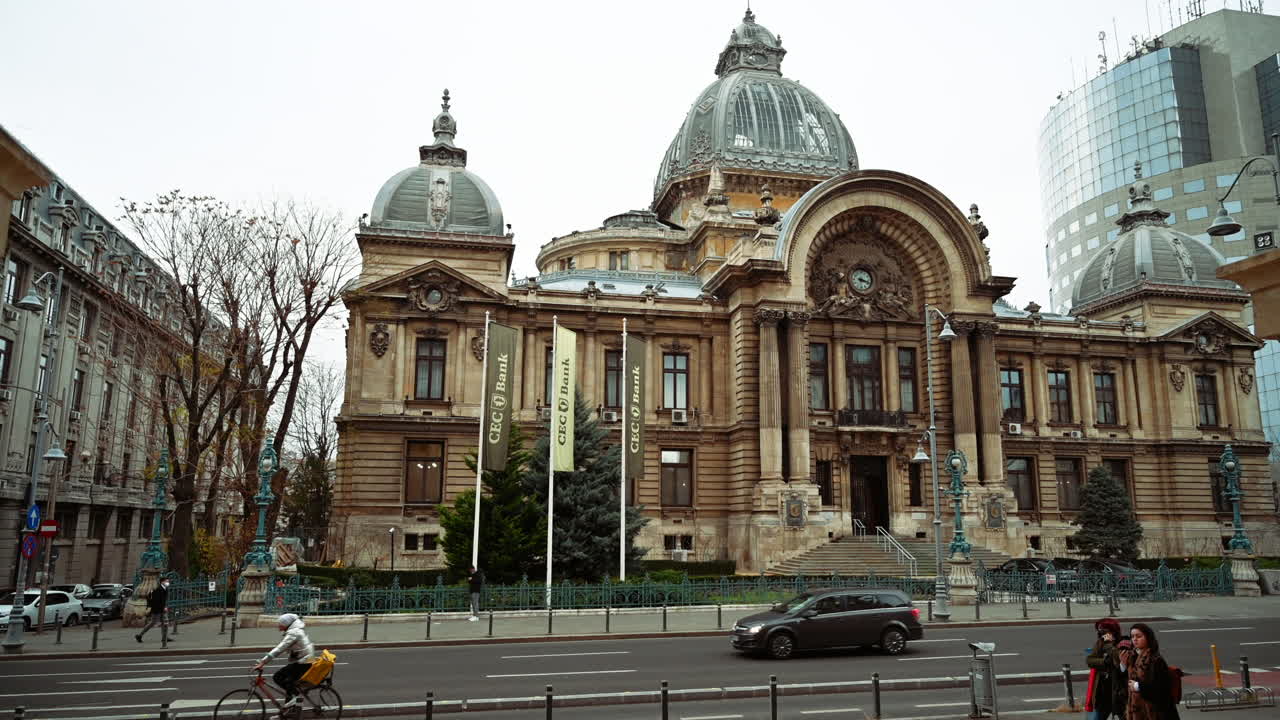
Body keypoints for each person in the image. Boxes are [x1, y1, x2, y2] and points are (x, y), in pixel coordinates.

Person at [253, 613, 317, 711]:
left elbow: (280, 648)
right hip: (304, 660)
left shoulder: (293, 633)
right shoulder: (294, 631)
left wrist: (263, 662)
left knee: (278, 677)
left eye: (280, 623)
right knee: (288, 682)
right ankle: (290, 710)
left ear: (286, 624)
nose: (278, 626)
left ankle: (297, 698)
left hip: (305, 662)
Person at [1122, 623, 1181, 720]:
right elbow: (1126, 682)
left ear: (1148, 638)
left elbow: (1161, 689)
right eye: (1132, 636)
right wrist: (1123, 666)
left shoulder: (1155, 660)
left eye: (1139, 636)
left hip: (1155, 712)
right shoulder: (1132, 657)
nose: (1135, 639)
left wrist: (1138, 686)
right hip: (1136, 711)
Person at [1085, 618, 1126, 720]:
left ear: (1112, 630)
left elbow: (1117, 658)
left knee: (1124, 715)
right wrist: (1104, 663)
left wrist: (1108, 644)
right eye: (1098, 630)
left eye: (1103, 630)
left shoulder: (1123, 642)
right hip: (1102, 690)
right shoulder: (1100, 642)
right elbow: (1090, 660)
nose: (1100, 633)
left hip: (1118, 689)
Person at [135, 577, 170, 643]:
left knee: (164, 623)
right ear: (162, 582)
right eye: (166, 581)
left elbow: (163, 600)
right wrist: (163, 607)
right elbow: (156, 601)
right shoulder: (157, 589)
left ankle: (164, 638)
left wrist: (164, 607)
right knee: (152, 623)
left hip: (162, 609)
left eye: (168, 581)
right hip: (156, 609)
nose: (168, 583)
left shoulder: (165, 589)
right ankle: (139, 635)